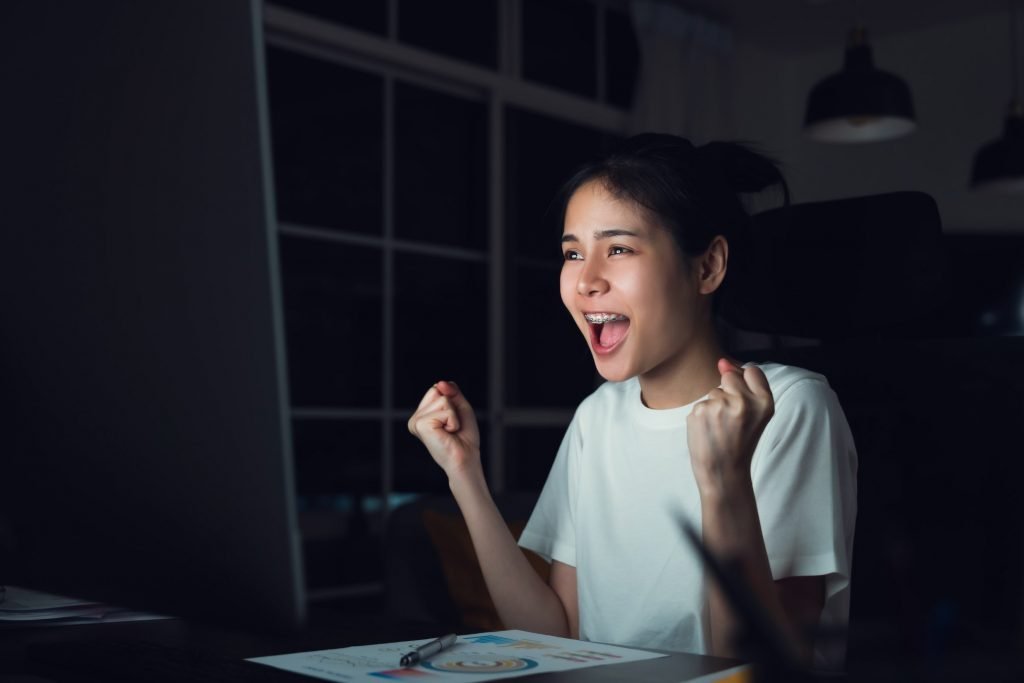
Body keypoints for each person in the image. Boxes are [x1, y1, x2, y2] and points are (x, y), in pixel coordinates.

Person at [407, 133, 857, 670]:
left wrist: (724, 480)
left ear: (708, 267)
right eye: (572, 253)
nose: (586, 280)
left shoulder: (788, 406)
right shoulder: (597, 417)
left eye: (618, 248)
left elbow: (759, 667)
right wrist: (465, 475)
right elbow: (556, 636)